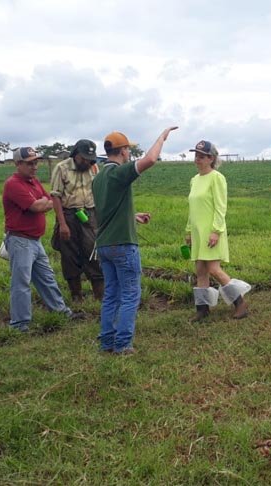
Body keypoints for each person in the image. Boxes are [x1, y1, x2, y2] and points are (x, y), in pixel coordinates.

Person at [92, 127, 178, 354]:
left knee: (111, 295)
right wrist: (162, 137)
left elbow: (107, 209)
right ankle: (123, 345)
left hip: (104, 245)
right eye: (128, 149)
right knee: (130, 295)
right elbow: (150, 159)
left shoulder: (98, 177)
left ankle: (106, 343)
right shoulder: (118, 173)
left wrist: (133, 216)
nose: (129, 154)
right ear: (122, 152)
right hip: (123, 244)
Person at [3, 147, 77, 332]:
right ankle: (20, 324)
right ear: (18, 164)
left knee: (47, 278)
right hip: (20, 240)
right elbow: (37, 206)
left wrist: (46, 203)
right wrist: (46, 203)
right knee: (21, 283)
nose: (35, 166)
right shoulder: (13, 184)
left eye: (36, 162)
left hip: (34, 240)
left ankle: (61, 312)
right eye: (30, 163)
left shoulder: (33, 182)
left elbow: (48, 200)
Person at [186, 140, 251, 321]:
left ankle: (240, 303)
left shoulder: (217, 178)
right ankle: (202, 308)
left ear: (211, 158)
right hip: (198, 232)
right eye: (196, 156)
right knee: (200, 269)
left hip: (211, 231)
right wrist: (189, 230)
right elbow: (192, 209)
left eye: (201, 156)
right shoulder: (194, 180)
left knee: (214, 269)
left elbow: (220, 207)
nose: (197, 160)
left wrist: (216, 231)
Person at [50, 139, 104, 302]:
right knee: (70, 255)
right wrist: (63, 224)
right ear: (75, 155)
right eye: (83, 158)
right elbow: (56, 197)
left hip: (90, 213)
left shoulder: (94, 168)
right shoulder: (62, 168)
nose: (87, 162)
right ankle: (76, 296)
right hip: (69, 214)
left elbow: (99, 192)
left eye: (90, 158)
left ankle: (100, 295)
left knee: (93, 252)